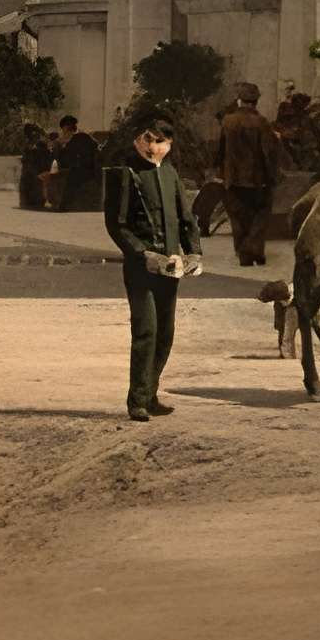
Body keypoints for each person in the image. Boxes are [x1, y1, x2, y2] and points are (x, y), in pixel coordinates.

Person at [105, 112, 201, 421]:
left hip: (170, 267)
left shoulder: (170, 173)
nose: (152, 147)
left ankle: (150, 394)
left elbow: (186, 219)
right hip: (141, 268)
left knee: (165, 335)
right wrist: (141, 253)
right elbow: (117, 225)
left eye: (160, 141)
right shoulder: (124, 173)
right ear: (136, 139)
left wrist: (194, 253)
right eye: (146, 139)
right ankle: (137, 401)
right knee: (146, 331)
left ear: (169, 145)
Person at [217, 81, 280, 267]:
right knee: (260, 215)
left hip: (233, 178)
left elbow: (221, 151)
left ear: (239, 100)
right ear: (256, 101)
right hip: (257, 179)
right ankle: (254, 249)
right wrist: (273, 175)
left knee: (238, 217)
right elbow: (268, 152)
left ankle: (244, 253)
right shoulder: (262, 123)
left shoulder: (227, 121)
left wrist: (222, 173)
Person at [51, 114, 100, 214]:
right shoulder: (86, 136)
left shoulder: (74, 139)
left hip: (83, 170)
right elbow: (97, 147)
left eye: (64, 129)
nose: (63, 131)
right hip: (89, 169)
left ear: (66, 127)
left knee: (70, 179)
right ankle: (63, 205)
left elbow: (64, 159)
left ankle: (63, 206)